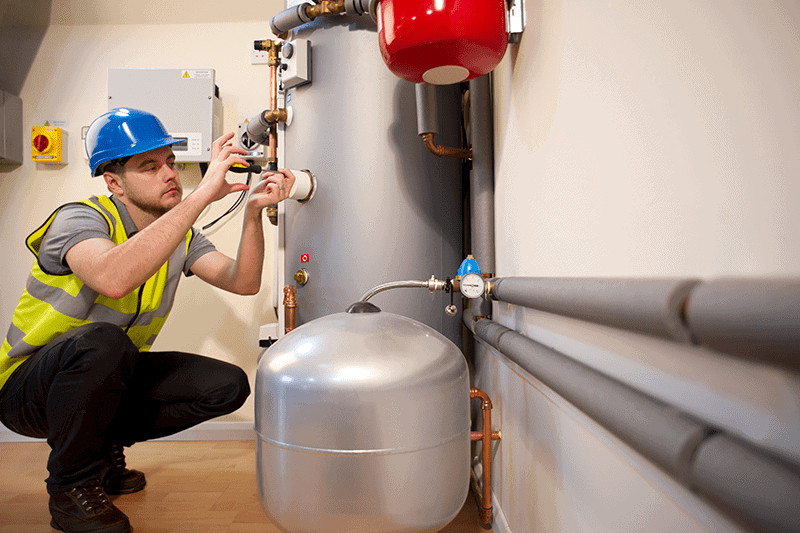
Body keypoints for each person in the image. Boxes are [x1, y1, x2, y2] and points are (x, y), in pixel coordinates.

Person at [0, 107, 295, 533]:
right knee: (103, 342)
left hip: (104, 376)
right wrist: (199, 198)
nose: (169, 174)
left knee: (226, 385)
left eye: (171, 163)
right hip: (28, 388)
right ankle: (70, 488)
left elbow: (243, 281)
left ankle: (100, 448)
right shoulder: (81, 219)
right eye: (149, 166)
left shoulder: (181, 235)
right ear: (114, 182)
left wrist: (252, 213)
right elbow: (113, 278)